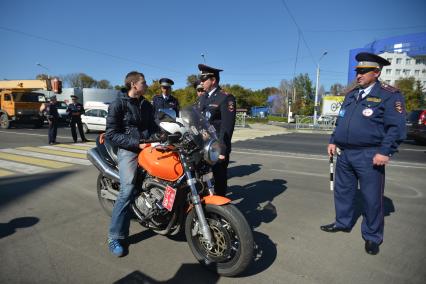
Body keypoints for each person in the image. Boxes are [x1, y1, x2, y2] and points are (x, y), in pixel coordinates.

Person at [320, 52, 406, 255]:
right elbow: (340, 121)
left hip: (370, 155)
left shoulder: (389, 95)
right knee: (343, 192)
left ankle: (372, 236)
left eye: (363, 71)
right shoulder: (351, 94)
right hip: (344, 154)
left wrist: (385, 152)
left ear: (376, 72)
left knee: (371, 198)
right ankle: (343, 222)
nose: (358, 75)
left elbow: (397, 128)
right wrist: (333, 140)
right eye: (357, 71)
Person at [104, 71, 157, 257]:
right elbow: (111, 133)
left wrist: (170, 133)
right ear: (134, 84)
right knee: (127, 190)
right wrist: (136, 143)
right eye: (144, 82)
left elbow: (154, 126)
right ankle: (115, 236)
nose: (147, 85)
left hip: (148, 147)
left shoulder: (146, 104)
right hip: (129, 149)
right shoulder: (118, 104)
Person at [198, 64, 236, 196]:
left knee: (219, 180)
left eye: (204, 79)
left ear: (213, 80)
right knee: (204, 179)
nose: (201, 82)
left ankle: (220, 210)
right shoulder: (203, 97)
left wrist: (222, 149)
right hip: (203, 146)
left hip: (216, 147)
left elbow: (227, 127)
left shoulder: (225, 97)